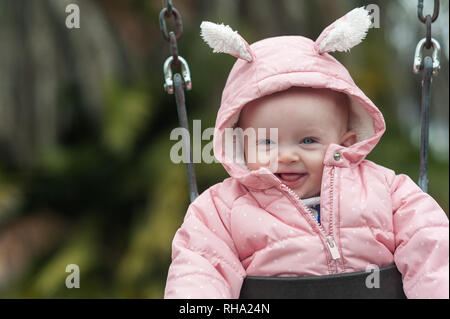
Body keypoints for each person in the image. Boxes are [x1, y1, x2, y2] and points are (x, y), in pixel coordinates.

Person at [164, 7, 449, 299]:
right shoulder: (221, 211)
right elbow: (199, 271)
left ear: (346, 142)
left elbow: (432, 248)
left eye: (308, 140)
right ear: (241, 143)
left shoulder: (388, 192)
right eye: (268, 143)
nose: (287, 156)